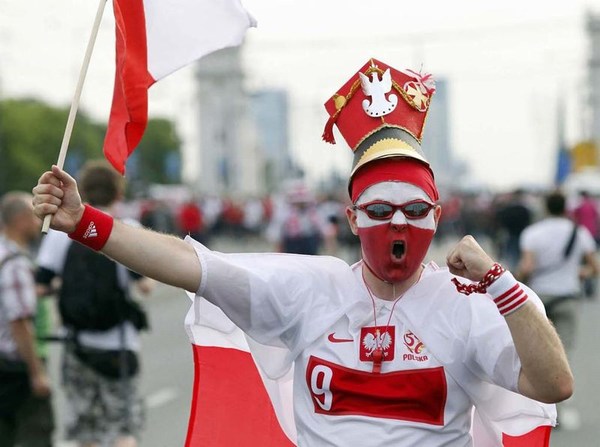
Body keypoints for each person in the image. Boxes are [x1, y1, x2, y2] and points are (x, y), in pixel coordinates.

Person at [33, 59, 573, 445]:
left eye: (416, 209)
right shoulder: (310, 288)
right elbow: (188, 263)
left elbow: (554, 383)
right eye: (381, 210)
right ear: (351, 219)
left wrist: (501, 283)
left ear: (438, 215)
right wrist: (85, 223)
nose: (399, 223)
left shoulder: (468, 302)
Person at [35, 160, 150, 447]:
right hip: (120, 344)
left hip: (78, 345)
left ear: (82, 191)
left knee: (87, 432)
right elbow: (146, 286)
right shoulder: (128, 228)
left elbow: (40, 285)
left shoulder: (63, 232)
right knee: (123, 428)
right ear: (118, 193)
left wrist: (60, 286)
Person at [517, 190, 599, 430]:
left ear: (545, 207)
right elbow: (594, 267)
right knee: (563, 354)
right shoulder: (579, 232)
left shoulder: (533, 233)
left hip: (538, 301)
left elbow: (528, 267)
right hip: (567, 299)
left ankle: (535, 409)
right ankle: (557, 411)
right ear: (565, 208)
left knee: (533, 355)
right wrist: (576, 274)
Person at [0, 192, 54, 447]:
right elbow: (20, 322)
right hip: (15, 368)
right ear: (20, 220)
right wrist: (37, 373)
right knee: (36, 435)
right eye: (34, 217)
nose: (38, 223)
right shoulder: (15, 263)